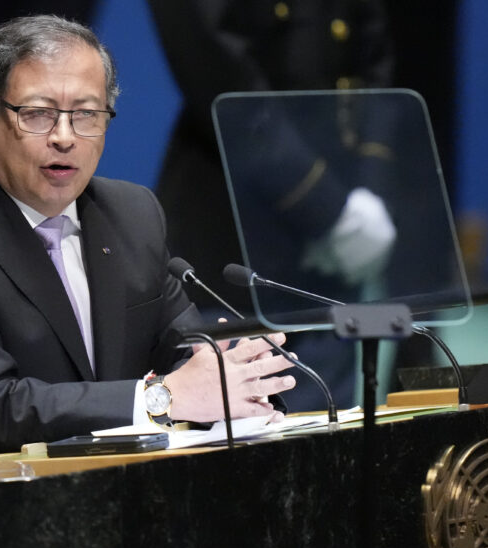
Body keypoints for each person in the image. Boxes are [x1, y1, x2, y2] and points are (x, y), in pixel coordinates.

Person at [0, 14, 296, 481]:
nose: (65, 136)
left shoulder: (132, 214)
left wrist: (231, 375)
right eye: (38, 114)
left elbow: (182, 352)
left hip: (121, 498)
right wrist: (164, 398)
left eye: (86, 114)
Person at [148, 0, 398, 411]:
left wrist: (368, 192)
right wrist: (326, 209)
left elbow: (372, 59)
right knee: (229, 439)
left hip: (330, 264)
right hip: (232, 245)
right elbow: (213, 62)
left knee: (332, 437)